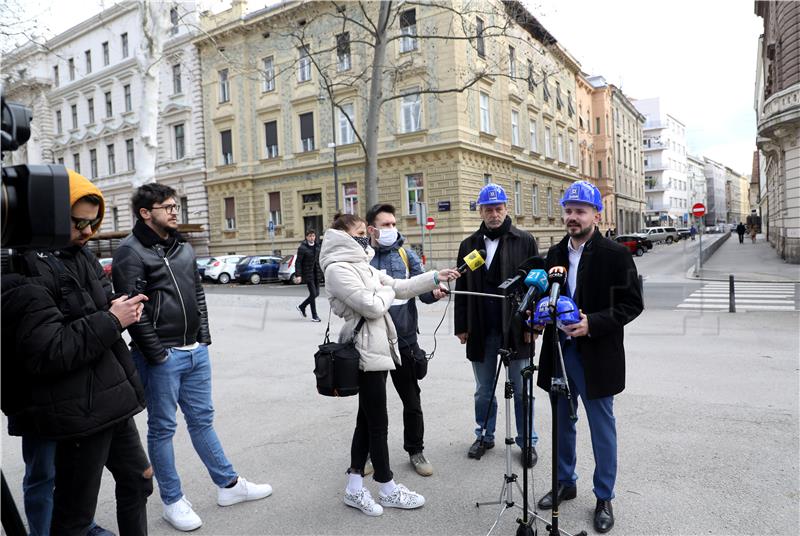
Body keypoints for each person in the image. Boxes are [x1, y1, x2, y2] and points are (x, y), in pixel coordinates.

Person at [112, 184, 272, 532]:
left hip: (194, 351)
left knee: (202, 420)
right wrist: (158, 355)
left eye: (176, 206)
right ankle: (172, 501)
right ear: (145, 213)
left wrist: (203, 339)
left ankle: (228, 486)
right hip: (161, 356)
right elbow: (132, 310)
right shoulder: (130, 252)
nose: (174, 211)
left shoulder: (183, 248)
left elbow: (196, 293)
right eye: (166, 207)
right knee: (162, 428)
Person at [1, 170, 152, 536]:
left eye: (92, 223)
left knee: (139, 481)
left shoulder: (78, 254)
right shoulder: (20, 268)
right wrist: (113, 320)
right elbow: (49, 349)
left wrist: (119, 305)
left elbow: (99, 300)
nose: (87, 232)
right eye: (77, 222)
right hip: (76, 409)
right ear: (48, 213)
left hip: (108, 397)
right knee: (73, 516)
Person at [318, 212, 460, 517]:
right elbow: (372, 306)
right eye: (358, 232)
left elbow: (400, 286)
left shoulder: (361, 265)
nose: (364, 237)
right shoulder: (337, 269)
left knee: (365, 422)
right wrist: (385, 292)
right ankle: (386, 486)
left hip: (378, 348)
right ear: (345, 236)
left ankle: (355, 488)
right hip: (364, 350)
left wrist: (436, 276)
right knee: (377, 423)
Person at [534, 180, 643, 533]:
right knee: (563, 423)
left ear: (596, 214)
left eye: (580, 211)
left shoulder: (616, 254)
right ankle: (566, 482)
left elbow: (632, 304)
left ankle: (604, 496)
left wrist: (591, 323)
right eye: (568, 210)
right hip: (558, 352)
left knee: (601, 428)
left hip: (596, 354)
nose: (572, 217)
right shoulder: (554, 254)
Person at [454, 183, 539, 468]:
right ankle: (484, 435)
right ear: (480, 211)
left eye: (498, 208)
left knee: (522, 389)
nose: (494, 214)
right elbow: (462, 287)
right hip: (481, 328)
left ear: (506, 209)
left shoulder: (524, 241)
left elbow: (534, 286)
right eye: (488, 209)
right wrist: (461, 326)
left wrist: (533, 325)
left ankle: (527, 441)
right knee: (484, 390)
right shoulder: (469, 245)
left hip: (517, 329)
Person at [366, 203, 447, 477]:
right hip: (373, 344)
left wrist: (433, 293)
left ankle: (415, 450)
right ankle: (367, 453)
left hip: (405, 343)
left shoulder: (406, 254)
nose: (391, 228)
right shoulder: (361, 258)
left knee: (412, 402)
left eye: (392, 223)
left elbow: (421, 289)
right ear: (371, 229)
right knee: (371, 405)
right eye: (385, 224)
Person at [294, 229, 322, 322]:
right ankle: (314, 316)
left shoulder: (318, 246)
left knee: (316, 293)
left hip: (316, 273)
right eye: (310, 236)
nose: (312, 238)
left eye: (313, 236)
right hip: (308, 273)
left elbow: (320, 260)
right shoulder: (302, 248)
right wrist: (298, 275)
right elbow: (298, 262)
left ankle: (302, 306)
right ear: (306, 237)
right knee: (313, 294)